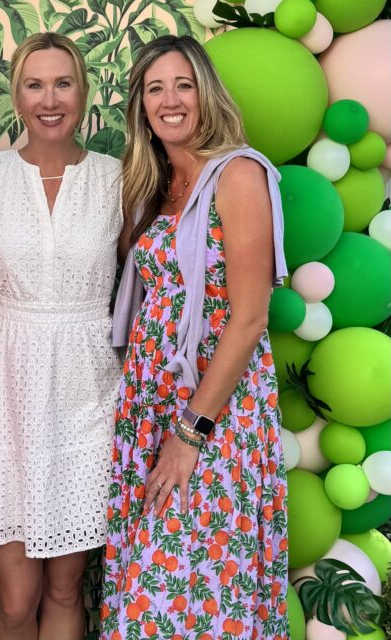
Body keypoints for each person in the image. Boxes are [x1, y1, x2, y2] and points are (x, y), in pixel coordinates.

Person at [100, 35, 289, 640]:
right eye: (156, 89)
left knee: (186, 593)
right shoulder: (152, 191)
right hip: (149, 411)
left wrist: (189, 432)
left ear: (205, 95)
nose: (170, 100)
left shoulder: (237, 174)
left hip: (212, 416)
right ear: (142, 108)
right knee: (160, 588)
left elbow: (250, 318)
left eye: (183, 85)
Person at [0, 32, 123, 640]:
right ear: (16, 96)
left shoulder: (117, 180)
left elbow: (144, 288)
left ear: (83, 92)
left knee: (64, 588)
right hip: (4, 395)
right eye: (34, 84)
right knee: (18, 596)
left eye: (62, 83)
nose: (49, 99)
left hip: (88, 393)